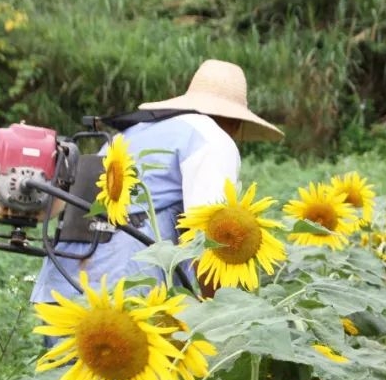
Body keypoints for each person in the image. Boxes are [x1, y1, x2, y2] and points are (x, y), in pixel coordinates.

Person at [28, 59, 285, 304]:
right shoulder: (212, 139)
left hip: (61, 284)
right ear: (237, 123)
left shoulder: (132, 132)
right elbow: (209, 236)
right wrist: (217, 312)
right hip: (126, 292)